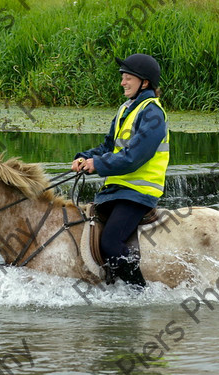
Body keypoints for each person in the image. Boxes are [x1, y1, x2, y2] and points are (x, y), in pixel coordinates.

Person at [71, 53, 169, 287]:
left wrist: (99, 165)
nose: (122, 82)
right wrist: (84, 157)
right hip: (117, 190)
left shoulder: (152, 112)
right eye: (123, 78)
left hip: (138, 192)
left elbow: (136, 156)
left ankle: (140, 293)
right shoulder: (126, 109)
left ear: (144, 82)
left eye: (127, 78)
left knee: (110, 242)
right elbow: (108, 147)